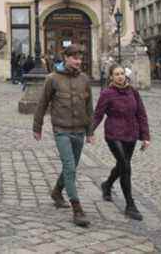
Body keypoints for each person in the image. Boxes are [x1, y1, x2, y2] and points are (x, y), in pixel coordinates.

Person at [33, 44, 94, 227]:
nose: (78, 61)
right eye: (74, 57)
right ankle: (77, 208)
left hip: (79, 131)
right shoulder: (52, 79)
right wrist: (37, 127)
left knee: (72, 166)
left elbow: (89, 107)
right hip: (61, 130)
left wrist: (90, 131)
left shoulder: (84, 79)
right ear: (66, 58)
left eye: (80, 58)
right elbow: (42, 104)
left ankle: (57, 191)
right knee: (69, 166)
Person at [92, 65, 151, 220]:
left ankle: (107, 184)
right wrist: (90, 131)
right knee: (125, 166)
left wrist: (145, 136)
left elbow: (141, 114)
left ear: (125, 75)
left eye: (122, 73)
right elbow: (98, 115)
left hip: (131, 134)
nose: (120, 76)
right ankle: (130, 204)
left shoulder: (133, 92)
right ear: (111, 77)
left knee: (121, 164)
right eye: (116, 74)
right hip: (114, 134)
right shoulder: (107, 93)